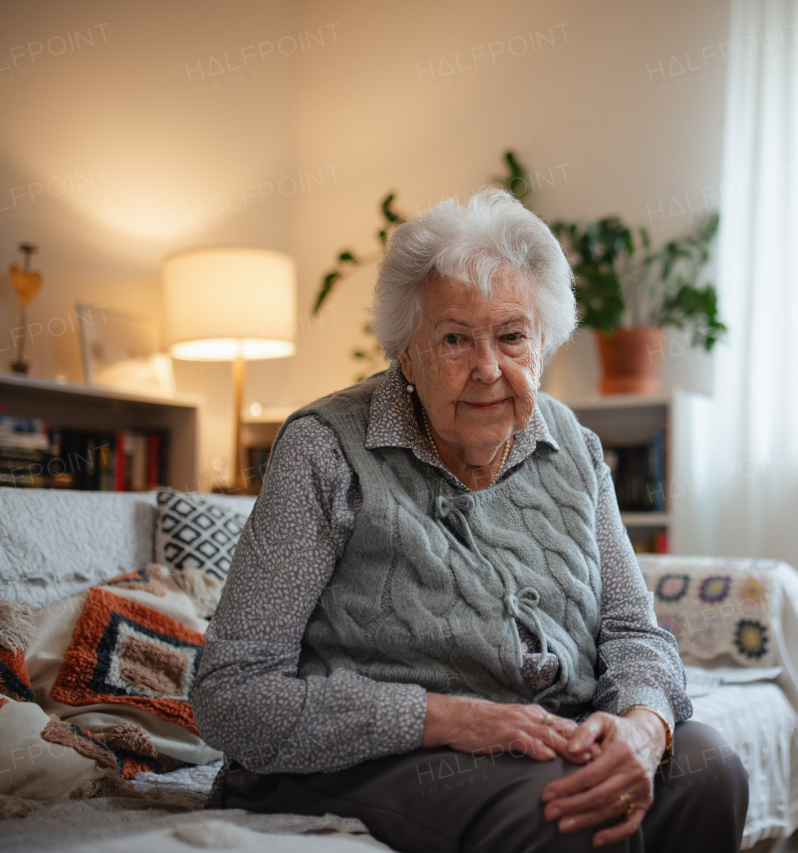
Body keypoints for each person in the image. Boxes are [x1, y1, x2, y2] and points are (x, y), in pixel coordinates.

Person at [191, 188, 749, 852]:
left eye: (512, 336)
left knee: (708, 769)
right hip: (369, 754)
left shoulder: (572, 443)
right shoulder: (325, 447)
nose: (488, 368)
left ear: (543, 343)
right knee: (567, 811)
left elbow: (633, 626)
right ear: (406, 350)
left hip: (538, 740)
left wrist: (644, 720)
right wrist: (446, 718)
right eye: (455, 338)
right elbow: (231, 693)